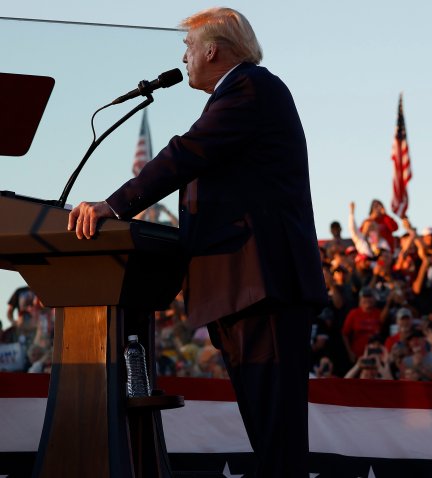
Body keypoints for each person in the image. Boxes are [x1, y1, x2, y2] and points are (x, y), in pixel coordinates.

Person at [66, 8, 325, 476]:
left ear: (212, 49)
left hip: (262, 287)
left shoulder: (252, 87)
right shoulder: (240, 94)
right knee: (270, 438)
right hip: (241, 290)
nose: (183, 58)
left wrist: (115, 206)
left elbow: (187, 152)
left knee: (278, 438)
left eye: (188, 47)